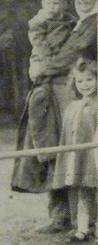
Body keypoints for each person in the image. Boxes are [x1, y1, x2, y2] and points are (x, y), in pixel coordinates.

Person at [12, 0, 98, 234]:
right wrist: (35, 64)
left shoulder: (93, 23)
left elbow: (72, 54)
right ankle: (62, 216)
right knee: (53, 148)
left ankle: (81, 220)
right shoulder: (74, 22)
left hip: (81, 96)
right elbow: (45, 44)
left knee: (79, 155)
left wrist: (41, 68)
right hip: (58, 92)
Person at [51, 58, 97, 243]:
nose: (84, 85)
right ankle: (82, 228)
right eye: (80, 81)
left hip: (95, 157)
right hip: (80, 158)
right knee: (83, 193)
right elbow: (68, 136)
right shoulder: (73, 107)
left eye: (89, 79)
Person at [28, 0, 76, 84]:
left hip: (61, 55)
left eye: (55, 3)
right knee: (39, 72)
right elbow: (38, 41)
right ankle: (41, 90)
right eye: (47, 4)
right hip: (44, 54)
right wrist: (47, 56)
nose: (51, 7)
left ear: (64, 4)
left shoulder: (70, 21)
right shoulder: (40, 21)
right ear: (42, 4)